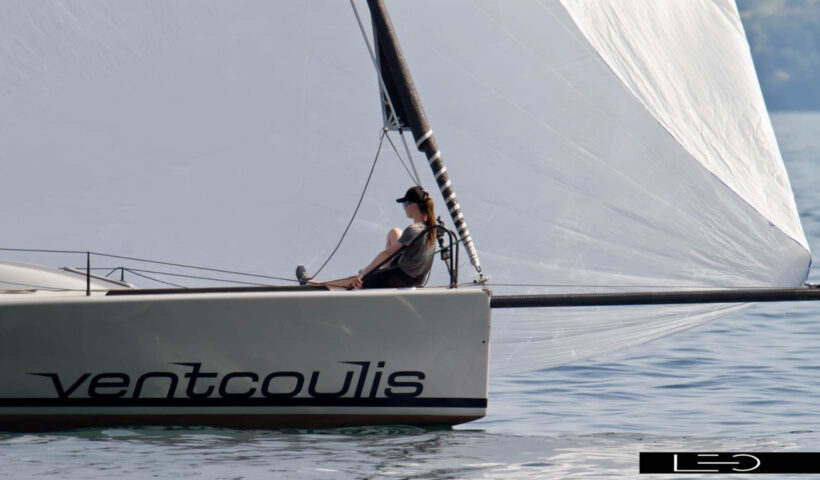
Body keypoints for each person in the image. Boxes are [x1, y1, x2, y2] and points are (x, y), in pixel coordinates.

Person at [305, 186, 437, 290]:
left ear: (413, 206)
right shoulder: (433, 229)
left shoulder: (413, 230)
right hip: (415, 278)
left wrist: (362, 274)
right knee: (394, 232)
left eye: (405, 205)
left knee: (355, 280)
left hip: (399, 278)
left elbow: (386, 254)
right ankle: (380, 273)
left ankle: (317, 286)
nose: (404, 208)